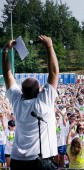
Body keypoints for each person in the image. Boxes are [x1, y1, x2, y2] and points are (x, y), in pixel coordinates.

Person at [2, 35, 59, 169]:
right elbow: (54, 73)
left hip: (17, 160)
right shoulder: (44, 101)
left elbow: (7, 75)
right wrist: (49, 47)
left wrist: (5, 51)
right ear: (39, 91)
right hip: (39, 161)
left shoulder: (17, 100)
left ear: (21, 91)